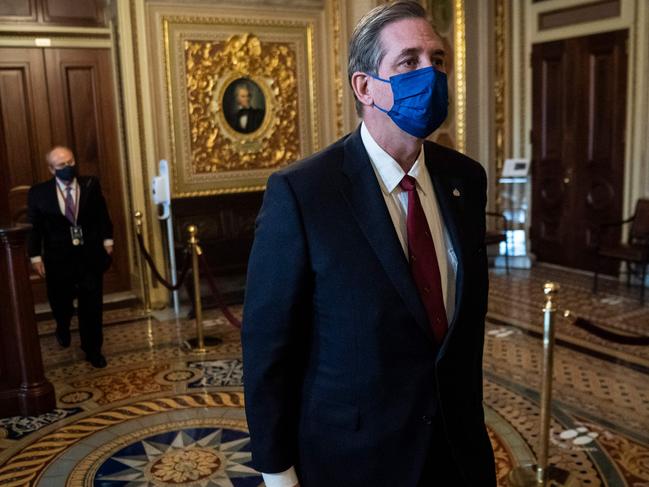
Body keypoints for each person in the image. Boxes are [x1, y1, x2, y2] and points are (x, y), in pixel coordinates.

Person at [241, 1, 496, 486]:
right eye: (409, 62)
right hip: (355, 461)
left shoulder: (466, 179)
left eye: (437, 60)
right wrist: (277, 473)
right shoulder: (302, 193)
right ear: (364, 86)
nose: (431, 74)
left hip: (457, 452)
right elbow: (268, 348)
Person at [28, 146, 113, 369]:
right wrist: (35, 256)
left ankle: (93, 349)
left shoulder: (90, 185)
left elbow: (102, 215)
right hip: (58, 259)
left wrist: (108, 241)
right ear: (51, 169)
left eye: (70, 162)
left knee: (92, 306)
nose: (68, 168)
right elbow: (35, 229)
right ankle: (62, 326)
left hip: (89, 255)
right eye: (61, 165)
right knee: (60, 302)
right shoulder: (39, 193)